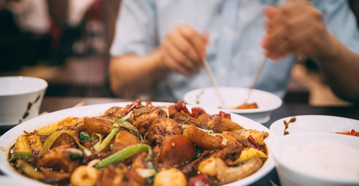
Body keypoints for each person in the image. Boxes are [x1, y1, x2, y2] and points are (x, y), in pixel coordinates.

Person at [109, 0, 359, 103]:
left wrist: (326, 45)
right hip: (172, 124)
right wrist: (161, 60)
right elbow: (119, 79)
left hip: (269, 132)